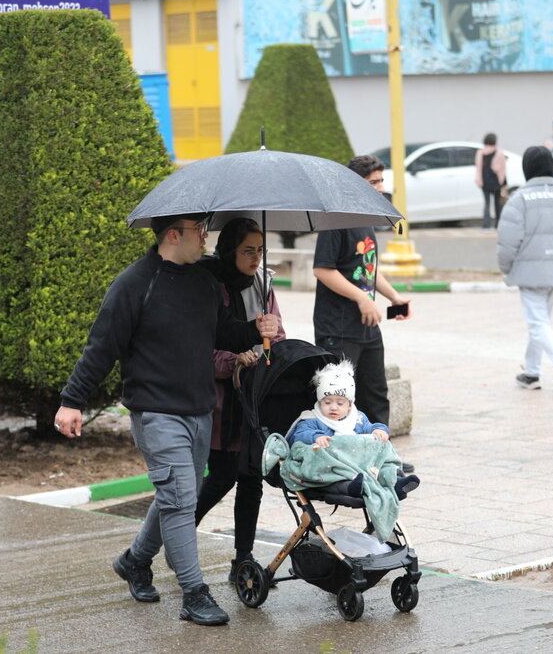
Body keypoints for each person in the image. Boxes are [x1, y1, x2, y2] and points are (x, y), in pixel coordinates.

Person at [54, 213, 279, 627]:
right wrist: (72, 400)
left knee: (178, 495)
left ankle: (135, 561)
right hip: (156, 412)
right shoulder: (134, 284)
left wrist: (255, 329)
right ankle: (194, 593)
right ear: (173, 235)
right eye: (199, 231)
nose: (205, 238)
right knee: (178, 499)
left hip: (200, 410)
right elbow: (101, 347)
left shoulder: (204, 282)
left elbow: (222, 333)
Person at [193, 218, 285, 583]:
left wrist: (268, 350)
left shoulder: (263, 283)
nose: (256, 258)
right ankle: (173, 539)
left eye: (260, 250)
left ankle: (242, 561)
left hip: (254, 395)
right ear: (229, 250)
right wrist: (234, 360)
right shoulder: (208, 284)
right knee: (222, 476)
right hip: (219, 401)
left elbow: (278, 333)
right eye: (249, 251)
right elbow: (201, 347)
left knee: (251, 477)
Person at [312, 154, 415, 473]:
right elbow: (322, 270)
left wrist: (393, 296)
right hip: (338, 326)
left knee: (375, 392)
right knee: (338, 396)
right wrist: (361, 298)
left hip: (366, 325)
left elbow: (367, 270)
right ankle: (339, 461)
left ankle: (382, 456)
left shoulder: (365, 218)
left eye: (382, 181)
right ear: (356, 184)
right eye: (374, 182)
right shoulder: (337, 221)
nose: (381, 187)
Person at [497, 146, 553, 399]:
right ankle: (532, 372)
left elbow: (507, 242)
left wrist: (507, 268)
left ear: (527, 170)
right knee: (541, 323)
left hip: (529, 272)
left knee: (537, 323)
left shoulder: (519, 200)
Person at [286, 360, 420, 501]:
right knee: (335, 479)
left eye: (340, 403)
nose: (333, 407)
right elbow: (300, 434)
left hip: (361, 464)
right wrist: (315, 436)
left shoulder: (357, 418)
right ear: (319, 402)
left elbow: (369, 427)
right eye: (327, 402)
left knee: (381, 454)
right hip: (334, 467)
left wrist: (379, 430)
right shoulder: (313, 419)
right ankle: (352, 487)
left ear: (350, 405)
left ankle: (396, 482)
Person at [474, 133, 507, 229]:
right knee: (498, 204)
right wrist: (503, 182)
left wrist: (479, 180)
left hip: (484, 182)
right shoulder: (499, 152)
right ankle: (498, 224)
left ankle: (486, 225)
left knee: (487, 204)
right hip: (496, 182)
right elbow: (502, 169)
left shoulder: (480, 153)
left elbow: (478, 168)